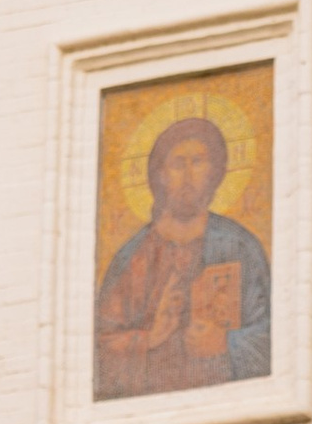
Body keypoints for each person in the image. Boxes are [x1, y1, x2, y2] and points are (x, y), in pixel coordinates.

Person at [93, 115, 271, 396]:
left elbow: (273, 335)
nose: (188, 176)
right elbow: (97, 349)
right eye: (178, 164)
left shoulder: (239, 247)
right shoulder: (133, 256)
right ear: (161, 174)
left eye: (198, 162)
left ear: (215, 172)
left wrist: (226, 343)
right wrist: (149, 339)